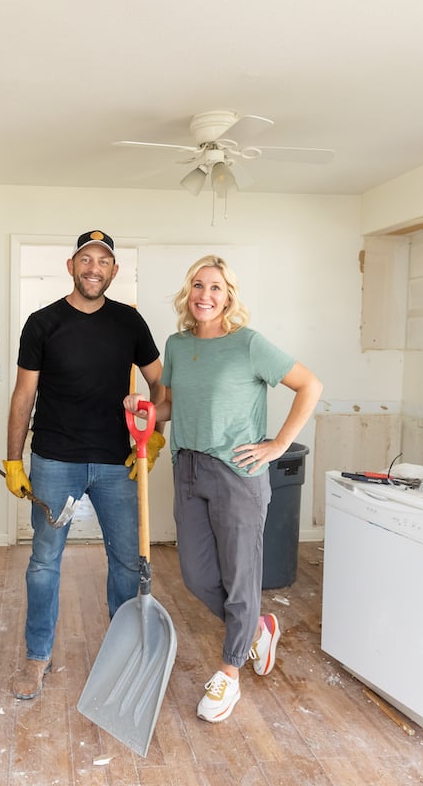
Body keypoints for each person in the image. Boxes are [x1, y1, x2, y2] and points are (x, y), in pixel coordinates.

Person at [124, 254, 322, 722]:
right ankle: (256, 628)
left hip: (237, 474)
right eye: (197, 285)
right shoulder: (176, 345)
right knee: (196, 575)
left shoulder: (248, 344)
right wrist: (144, 409)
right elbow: (169, 406)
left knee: (240, 576)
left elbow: (309, 385)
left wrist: (277, 444)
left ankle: (229, 673)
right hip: (188, 469)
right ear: (187, 293)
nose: (205, 295)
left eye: (215, 287)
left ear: (228, 295)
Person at [4, 229, 165, 701]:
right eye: (86, 259)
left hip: (117, 463)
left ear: (115, 271)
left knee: (126, 565)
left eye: (104, 261)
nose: (94, 268)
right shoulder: (42, 322)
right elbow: (23, 395)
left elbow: (161, 388)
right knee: (43, 563)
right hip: (56, 460)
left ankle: (125, 655)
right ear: (71, 266)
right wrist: (14, 460)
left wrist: (154, 436)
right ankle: (37, 657)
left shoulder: (130, 324)